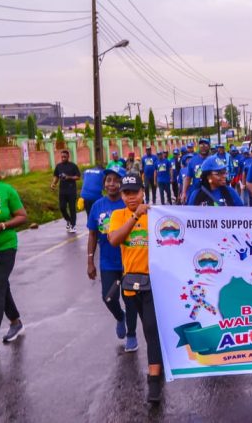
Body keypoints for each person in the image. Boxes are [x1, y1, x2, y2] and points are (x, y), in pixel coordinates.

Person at [108, 173, 163, 403]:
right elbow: (114, 240)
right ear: (122, 195)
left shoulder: (156, 214)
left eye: (135, 192)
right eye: (126, 193)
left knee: (151, 328)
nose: (131, 197)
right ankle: (159, 363)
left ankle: (154, 381)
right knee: (147, 327)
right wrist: (135, 216)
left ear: (143, 192)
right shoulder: (118, 215)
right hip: (131, 285)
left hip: (155, 283)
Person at [87, 166, 138, 352]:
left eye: (117, 180)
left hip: (129, 261)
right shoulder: (97, 206)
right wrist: (90, 261)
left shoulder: (129, 204)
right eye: (109, 180)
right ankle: (119, 317)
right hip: (108, 262)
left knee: (130, 300)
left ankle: (131, 334)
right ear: (104, 183)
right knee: (108, 298)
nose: (112, 184)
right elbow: (93, 234)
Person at [0, 181, 27, 361]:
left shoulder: (5, 190)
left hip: (5, 247)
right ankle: (15, 322)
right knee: (0, 286)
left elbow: (22, 216)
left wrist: (3, 225)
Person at [51, 150, 81, 233]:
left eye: (65, 157)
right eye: (62, 157)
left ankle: (73, 225)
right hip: (62, 191)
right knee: (62, 207)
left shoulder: (73, 166)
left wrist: (69, 177)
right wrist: (53, 184)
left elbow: (78, 177)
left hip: (71, 191)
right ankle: (68, 220)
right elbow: (56, 176)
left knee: (72, 209)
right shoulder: (59, 166)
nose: (63, 158)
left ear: (68, 157)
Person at [180, 138, 211, 204]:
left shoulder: (213, 160)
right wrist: (184, 192)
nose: (203, 147)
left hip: (211, 192)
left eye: (205, 145)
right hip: (196, 192)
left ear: (209, 146)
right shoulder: (193, 160)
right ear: (198, 147)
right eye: (201, 145)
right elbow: (188, 178)